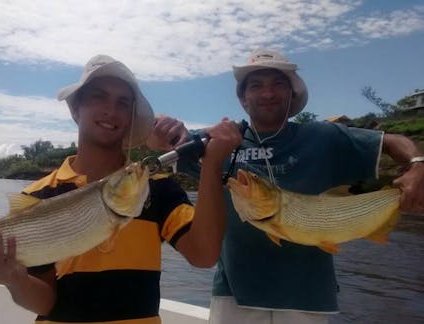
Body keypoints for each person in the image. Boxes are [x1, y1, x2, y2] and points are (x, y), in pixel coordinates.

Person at [148, 48, 424, 324]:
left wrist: (417, 165)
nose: (268, 93)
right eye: (256, 86)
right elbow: (150, 135)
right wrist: (166, 128)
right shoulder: (219, 141)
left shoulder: (322, 137)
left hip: (307, 300)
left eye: (278, 84)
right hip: (234, 295)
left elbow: (392, 141)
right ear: (243, 98)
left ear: (292, 94)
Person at [0, 54, 242, 324]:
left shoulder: (153, 185)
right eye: (98, 97)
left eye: (123, 102)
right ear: (75, 109)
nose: (111, 110)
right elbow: (47, 302)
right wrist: (14, 279)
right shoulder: (37, 196)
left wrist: (211, 165)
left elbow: (204, 255)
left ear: (132, 117)